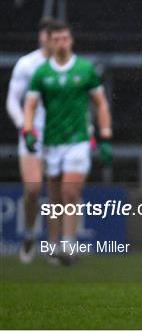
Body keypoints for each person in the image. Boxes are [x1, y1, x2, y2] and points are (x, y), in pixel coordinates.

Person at [23, 20, 113, 266]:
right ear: (50, 42)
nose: (62, 42)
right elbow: (30, 105)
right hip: (52, 141)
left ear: (71, 40)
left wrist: (105, 135)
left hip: (79, 140)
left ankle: (69, 244)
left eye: (66, 38)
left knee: (69, 192)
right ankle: (53, 246)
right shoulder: (42, 74)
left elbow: (101, 103)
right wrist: (28, 131)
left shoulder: (84, 69)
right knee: (54, 197)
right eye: (57, 39)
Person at [6, 18, 56, 264]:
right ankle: (29, 234)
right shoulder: (27, 64)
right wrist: (23, 126)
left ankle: (55, 245)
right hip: (33, 133)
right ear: (41, 37)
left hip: (60, 134)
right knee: (33, 188)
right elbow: (12, 101)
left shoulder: (68, 65)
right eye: (48, 35)